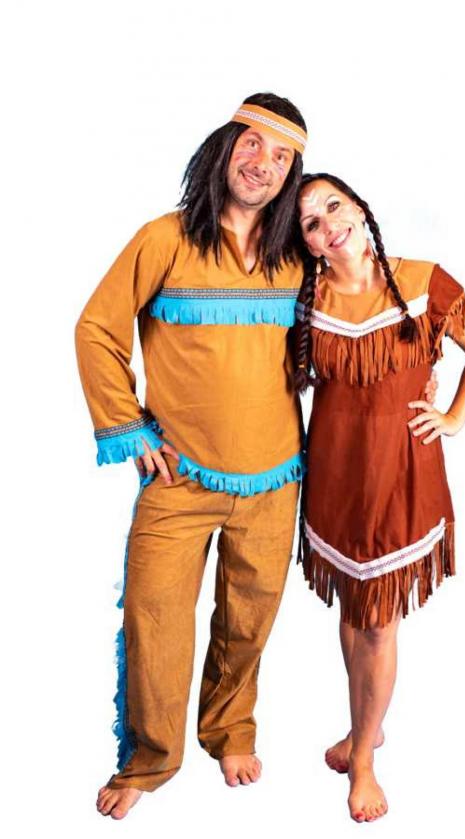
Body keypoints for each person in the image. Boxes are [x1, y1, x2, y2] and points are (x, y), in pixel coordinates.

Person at [75, 92, 310, 819]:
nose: (263, 163)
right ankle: (150, 758)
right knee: (155, 620)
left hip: (275, 477)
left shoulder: (297, 255)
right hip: (179, 479)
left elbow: (358, 305)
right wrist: (131, 429)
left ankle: (230, 730)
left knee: (249, 621)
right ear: (224, 146)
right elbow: (97, 329)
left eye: (281, 156)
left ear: (292, 175)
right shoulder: (165, 238)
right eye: (253, 143)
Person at [293, 173, 465, 823]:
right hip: (334, 476)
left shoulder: (422, 282)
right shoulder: (305, 300)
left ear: (359, 208)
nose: (329, 224)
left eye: (334, 206)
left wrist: (454, 416)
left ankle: (363, 760)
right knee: (353, 610)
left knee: (380, 620)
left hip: (402, 475)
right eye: (310, 222)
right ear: (308, 244)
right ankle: (366, 725)